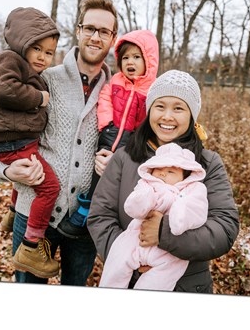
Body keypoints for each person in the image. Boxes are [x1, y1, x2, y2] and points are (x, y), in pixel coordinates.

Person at [0, 0, 118, 285]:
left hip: (85, 223)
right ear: (78, 30)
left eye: (104, 31)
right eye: (90, 28)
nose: (95, 37)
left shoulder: (118, 94)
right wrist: (6, 170)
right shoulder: (42, 79)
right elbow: (4, 133)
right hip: (33, 212)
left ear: (113, 38)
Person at [88, 70, 240, 293]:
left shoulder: (207, 164)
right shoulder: (124, 157)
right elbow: (100, 215)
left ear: (191, 115)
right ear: (150, 111)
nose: (167, 116)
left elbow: (224, 228)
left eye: (178, 108)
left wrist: (163, 235)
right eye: (160, 106)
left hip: (186, 285)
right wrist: (132, 257)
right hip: (128, 279)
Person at [0, 7, 61, 278]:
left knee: (26, 177)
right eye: (37, 49)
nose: (43, 58)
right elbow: (4, 90)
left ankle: (13, 213)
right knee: (49, 188)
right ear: (22, 41)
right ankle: (30, 247)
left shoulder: (17, 63)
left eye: (49, 52)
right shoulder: (9, 59)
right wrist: (39, 98)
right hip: (12, 141)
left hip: (14, 140)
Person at [58, 29, 159, 239]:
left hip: (132, 141)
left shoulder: (151, 89)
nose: (130, 62)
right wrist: (107, 124)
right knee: (98, 169)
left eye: (136, 57)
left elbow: (151, 117)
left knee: (117, 178)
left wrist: (139, 135)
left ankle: (108, 215)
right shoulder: (115, 82)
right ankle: (85, 208)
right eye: (126, 57)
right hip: (109, 135)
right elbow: (104, 100)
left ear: (148, 60)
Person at [98, 142, 208, 290]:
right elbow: (133, 208)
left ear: (185, 176)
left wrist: (177, 219)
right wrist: (144, 198)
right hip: (136, 237)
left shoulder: (193, 189)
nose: (162, 173)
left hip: (169, 249)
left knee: (167, 272)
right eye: (159, 169)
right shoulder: (147, 184)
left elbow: (197, 209)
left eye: (170, 171)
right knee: (118, 259)